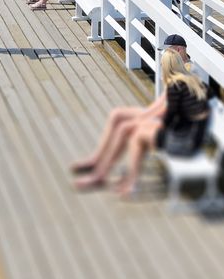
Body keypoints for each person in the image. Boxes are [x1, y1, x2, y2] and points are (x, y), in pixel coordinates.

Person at [71, 35, 208, 197]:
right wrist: (144, 116)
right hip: (176, 120)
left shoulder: (187, 71)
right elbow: (163, 103)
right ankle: (96, 160)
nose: (163, 56)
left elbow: (167, 109)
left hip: (177, 125)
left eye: (166, 52)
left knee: (126, 128)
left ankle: (104, 174)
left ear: (178, 50)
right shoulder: (178, 68)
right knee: (118, 114)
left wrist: (142, 120)